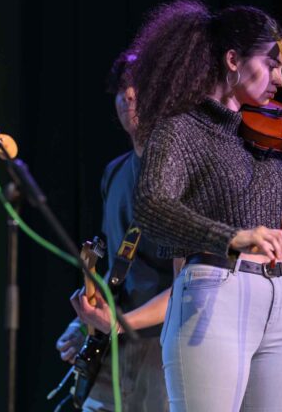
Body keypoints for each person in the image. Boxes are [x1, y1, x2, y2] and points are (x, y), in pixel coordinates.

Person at [72, 0, 282, 411]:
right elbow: (152, 209)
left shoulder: (272, 143)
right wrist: (232, 237)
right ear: (232, 59)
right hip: (213, 292)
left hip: (281, 299)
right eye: (272, 64)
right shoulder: (181, 129)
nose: (281, 80)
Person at [56, 50, 176, 411]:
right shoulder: (114, 172)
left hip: (161, 345)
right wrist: (85, 325)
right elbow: (117, 268)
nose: (129, 96)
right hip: (112, 344)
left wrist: (121, 323)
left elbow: (191, 283)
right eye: (122, 88)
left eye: (139, 87)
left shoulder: (179, 173)